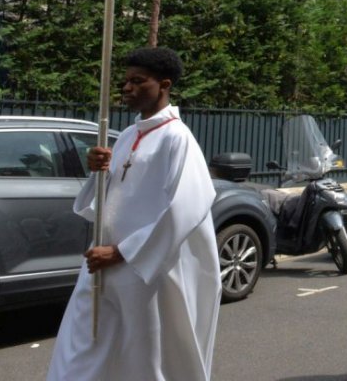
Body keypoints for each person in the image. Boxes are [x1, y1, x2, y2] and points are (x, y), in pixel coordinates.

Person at [47, 47, 221, 381]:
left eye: (137, 81)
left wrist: (122, 251)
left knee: (142, 357)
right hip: (103, 265)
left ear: (164, 85)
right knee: (83, 346)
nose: (126, 88)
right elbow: (108, 198)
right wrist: (99, 171)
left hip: (144, 270)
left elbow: (186, 207)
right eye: (125, 81)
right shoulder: (128, 135)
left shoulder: (177, 138)